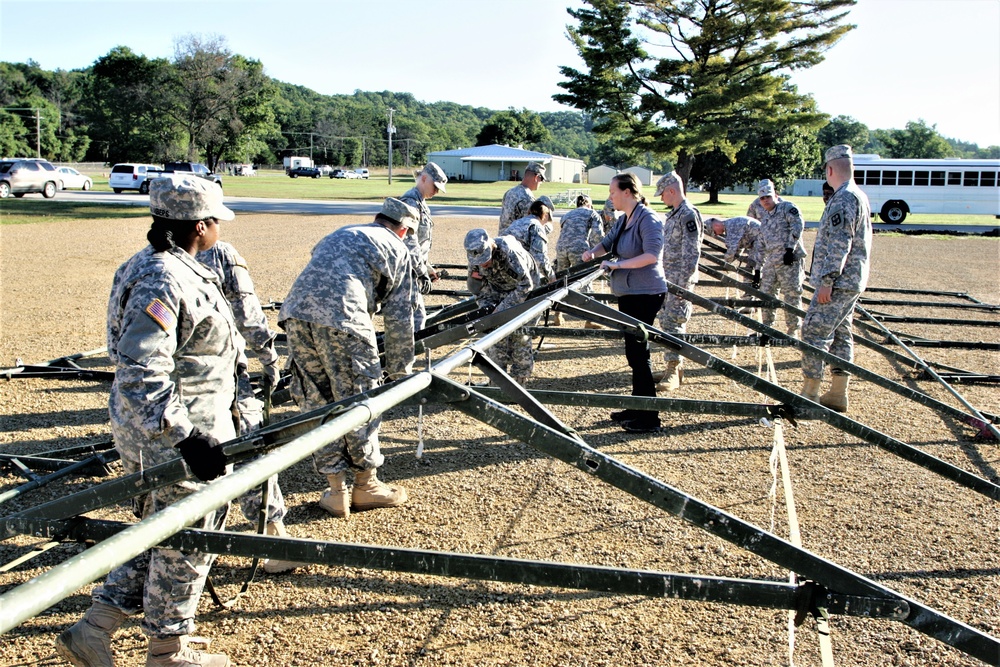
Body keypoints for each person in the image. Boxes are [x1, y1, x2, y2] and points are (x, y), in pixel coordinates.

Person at [56, 175, 239, 667]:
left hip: (176, 427)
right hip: (174, 433)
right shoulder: (163, 277)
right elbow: (142, 366)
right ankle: (166, 651)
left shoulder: (165, 265)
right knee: (189, 537)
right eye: (216, 221)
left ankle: (94, 629)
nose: (220, 229)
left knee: (157, 530)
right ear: (199, 225)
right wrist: (186, 437)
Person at [279, 198, 418, 519]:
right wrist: (400, 373)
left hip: (296, 315)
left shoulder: (341, 233)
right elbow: (400, 319)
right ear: (403, 229)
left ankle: (336, 491)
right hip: (345, 319)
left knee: (318, 401)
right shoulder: (398, 249)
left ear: (376, 218)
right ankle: (366, 486)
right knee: (359, 398)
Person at [196, 240, 300, 575]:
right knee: (249, 452)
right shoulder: (219, 253)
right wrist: (268, 355)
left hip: (170, 392)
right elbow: (247, 313)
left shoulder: (143, 263)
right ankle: (276, 539)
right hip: (221, 379)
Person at [582, 172, 666, 433]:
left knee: (639, 354)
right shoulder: (624, 219)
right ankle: (637, 405)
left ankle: (649, 417)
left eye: (613, 191)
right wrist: (592, 253)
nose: (611, 196)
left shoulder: (648, 218)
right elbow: (607, 243)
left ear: (627, 192)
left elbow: (651, 255)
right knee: (634, 353)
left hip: (646, 293)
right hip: (630, 293)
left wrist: (617, 264)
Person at [801, 145, 873, 412]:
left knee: (813, 331)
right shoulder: (858, 195)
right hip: (851, 280)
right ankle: (837, 393)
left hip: (839, 281)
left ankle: (809, 394)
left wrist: (827, 280)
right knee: (841, 334)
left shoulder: (843, 198)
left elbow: (840, 242)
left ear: (830, 169)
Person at [464, 228, 538, 384]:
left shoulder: (509, 253)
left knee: (520, 334)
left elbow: (526, 286)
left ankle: (519, 382)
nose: (484, 264)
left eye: (486, 259)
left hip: (526, 290)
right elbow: (478, 290)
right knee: (495, 334)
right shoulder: (475, 259)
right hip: (498, 289)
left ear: (491, 246)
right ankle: (497, 381)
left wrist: (502, 309)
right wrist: (489, 310)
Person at [653, 171, 703, 391]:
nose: (661, 198)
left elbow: (692, 253)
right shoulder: (675, 214)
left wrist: (683, 285)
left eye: (662, 194)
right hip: (667, 280)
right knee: (666, 322)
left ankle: (674, 369)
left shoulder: (688, 214)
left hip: (678, 282)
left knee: (674, 323)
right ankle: (673, 365)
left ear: (671, 190)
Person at [399, 162, 449, 331]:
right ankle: (408, 354)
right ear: (424, 178)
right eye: (435, 186)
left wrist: (427, 269)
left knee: (416, 316)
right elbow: (410, 242)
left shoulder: (420, 203)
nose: (436, 191)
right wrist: (421, 272)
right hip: (407, 270)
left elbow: (420, 245)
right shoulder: (410, 202)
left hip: (414, 268)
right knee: (415, 318)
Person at [756, 179, 807, 337]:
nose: (765, 200)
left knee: (791, 294)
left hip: (788, 260)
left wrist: (790, 248)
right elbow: (762, 244)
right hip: (772, 262)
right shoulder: (765, 218)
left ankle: (793, 330)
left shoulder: (787, 208)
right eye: (762, 198)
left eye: (768, 197)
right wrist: (758, 268)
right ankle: (767, 328)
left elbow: (798, 225)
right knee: (767, 294)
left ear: (775, 196)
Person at [555, 194, 605, 328]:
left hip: (560, 247)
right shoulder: (592, 213)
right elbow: (597, 236)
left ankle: (557, 314)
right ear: (589, 204)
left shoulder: (567, 215)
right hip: (579, 248)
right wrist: (599, 253)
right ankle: (590, 319)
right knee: (585, 281)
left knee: (562, 281)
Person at [506, 198, 556, 286]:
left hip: (506, 268)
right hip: (520, 270)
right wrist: (551, 276)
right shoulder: (536, 226)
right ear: (545, 215)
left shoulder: (517, 222)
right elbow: (540, 258)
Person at [498, 161, 545, 235]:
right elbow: (533, 225)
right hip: (516, 243)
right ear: (536, 177)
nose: (542, 182)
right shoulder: (527, 198)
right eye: (541, 179)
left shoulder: (510, 192)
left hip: (502, 240)